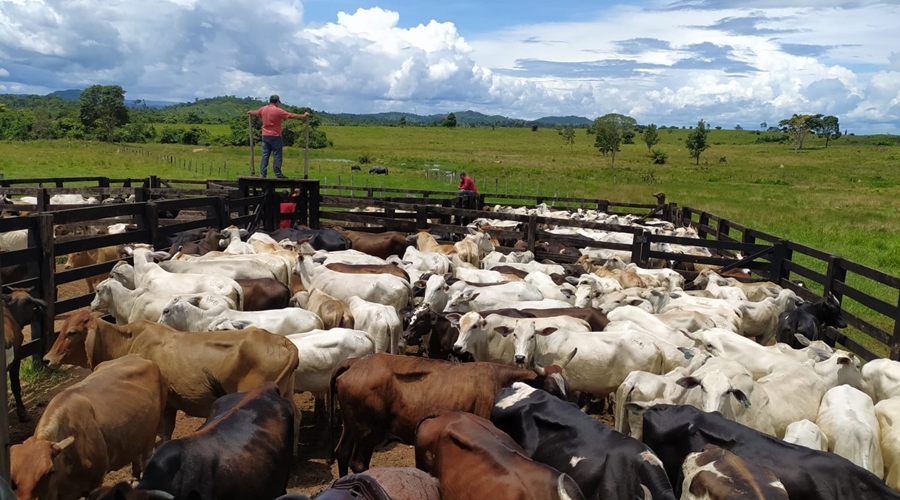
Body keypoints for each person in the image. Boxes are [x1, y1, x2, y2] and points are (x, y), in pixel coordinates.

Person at [247, 95, 309, 178]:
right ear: (276, 102)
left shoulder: (263, 109)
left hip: (265, 135)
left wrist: (250, 112)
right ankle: (278, 174)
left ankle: (263, 173)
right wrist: (303, 116)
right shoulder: (278, 111)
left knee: (265, 155)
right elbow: (291, 115)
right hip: (275, 136)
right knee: (277, 155)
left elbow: (256, 113)